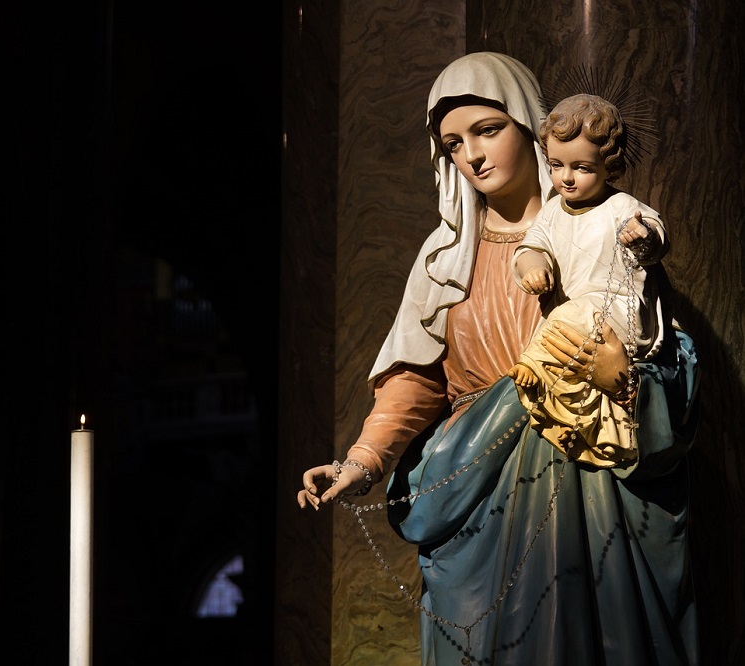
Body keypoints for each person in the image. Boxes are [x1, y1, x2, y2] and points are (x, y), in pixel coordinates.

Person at [296, 52, 699, 665]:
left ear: (530, 126)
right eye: (453, 143)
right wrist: (360, 462)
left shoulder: (605, 231)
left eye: (487, 130)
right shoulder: (445, 258)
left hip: (592, 483)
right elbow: (416, 376)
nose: (472, 155)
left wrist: (626, 384)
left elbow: (671, 361)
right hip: (482, 490)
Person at [508, 93, 669, 470]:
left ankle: (534, 368)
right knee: (559, 349)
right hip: (573, 321)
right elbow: (531, 246)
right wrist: (533, 265)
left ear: (608, 166)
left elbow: (655, 236)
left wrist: (641, 235)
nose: (565, 177)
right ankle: (586, 429)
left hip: (616, 315)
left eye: (581, 167)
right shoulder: (552, 211)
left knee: (563, 321)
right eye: (556, 165)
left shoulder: (620, 207)